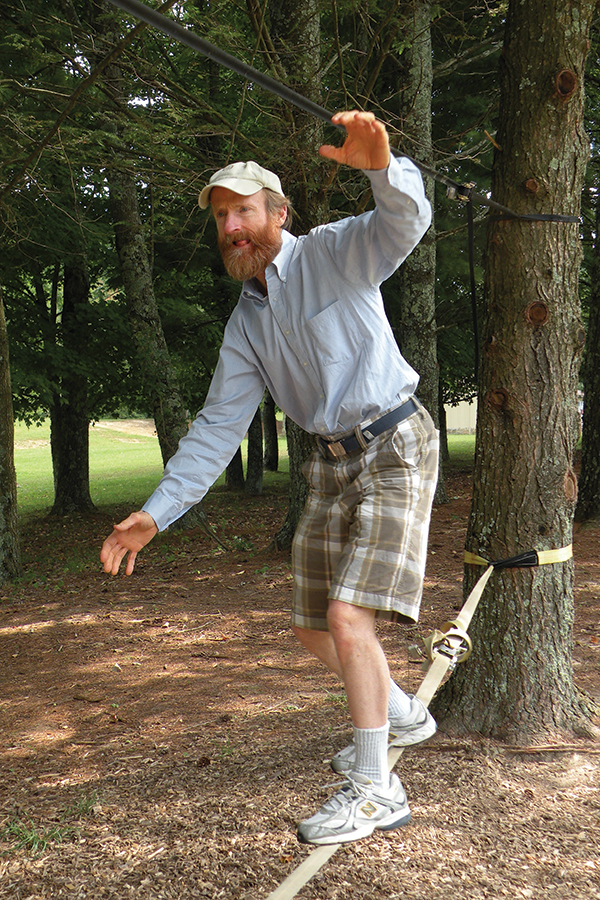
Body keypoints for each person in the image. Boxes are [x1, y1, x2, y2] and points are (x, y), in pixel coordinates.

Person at [100, 110, 439, 845]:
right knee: (311, 625)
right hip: (330, 462)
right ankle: (402, 712)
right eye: (221, 217)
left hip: (394, 444)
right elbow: (216, 429)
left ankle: (377, 788)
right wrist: (155, 513)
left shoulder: (334, 253)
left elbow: (404, 222)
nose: (231, 228)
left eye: (243, 211)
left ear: (279, 214)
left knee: (350, 619)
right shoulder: (245, 327)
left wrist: (382, 167)